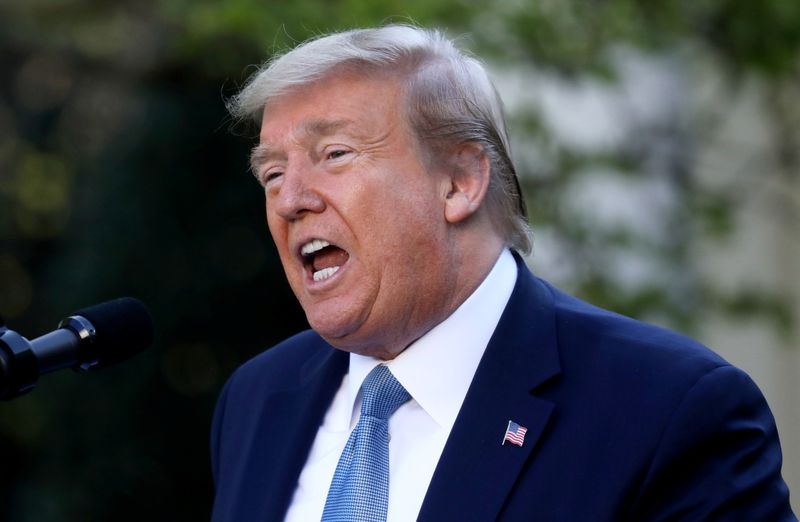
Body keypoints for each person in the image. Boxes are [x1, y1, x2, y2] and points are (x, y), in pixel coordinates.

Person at [210, 25, 795, 521]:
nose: (290, 201)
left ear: (461, 182)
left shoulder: (669, 409)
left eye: (334, 154)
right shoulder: (259, 398)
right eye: (272, 174)